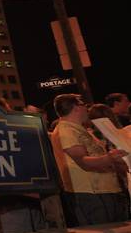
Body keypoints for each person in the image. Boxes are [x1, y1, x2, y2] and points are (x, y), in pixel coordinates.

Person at [51, 94, 128, 226]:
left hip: (103, 191)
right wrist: (109, 158)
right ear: (76, 107)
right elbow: (83, 161)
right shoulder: (66, 130)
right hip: (91, 194)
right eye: (84, 106)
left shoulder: (79, 129)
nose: (87, 109)